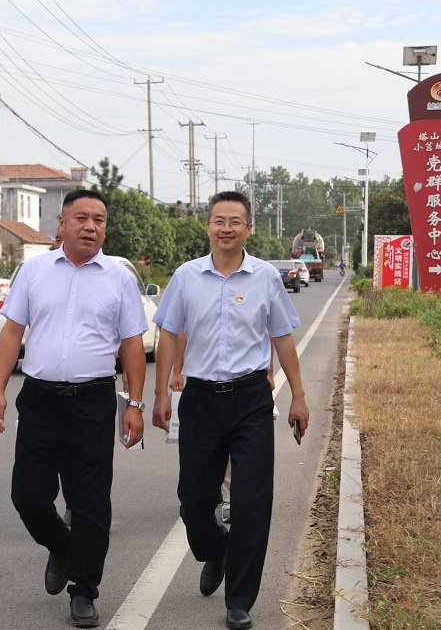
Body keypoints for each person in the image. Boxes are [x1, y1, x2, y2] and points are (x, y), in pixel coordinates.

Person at [0, 189, 148, 628]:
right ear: (62, 224)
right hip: (39, 400)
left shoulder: (118, 278)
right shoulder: (34, 271)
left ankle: (84, 590)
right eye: (81, 218)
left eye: (99, 220)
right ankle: (61, 545)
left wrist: (134, 404)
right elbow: (12, 332)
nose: (90, 226)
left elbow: (132, 345)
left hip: (92, 402)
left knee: (91, 503)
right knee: (28, 497)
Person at [150, 191, 309, 630]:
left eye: (235, 221)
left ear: (248, 228)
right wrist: (161, 393)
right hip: (200, 399)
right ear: (208, 227)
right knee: (194, 502)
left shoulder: (266, 278)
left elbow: (282, 337)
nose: (226, 228)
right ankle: (215, 548)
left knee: (252, 503)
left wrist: (297, 395)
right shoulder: (186, 276)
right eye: (219, 220)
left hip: (250, 399)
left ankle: (239, 600)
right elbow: (168, 334)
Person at [169, 331, 276, 524]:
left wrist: (269, 371)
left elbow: (267, 330)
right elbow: (184, 330)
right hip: (204, 387)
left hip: (244, 385)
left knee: (240, 448)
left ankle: (230, 497)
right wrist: (177, 371)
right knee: (204, 464)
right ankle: (215, 493)